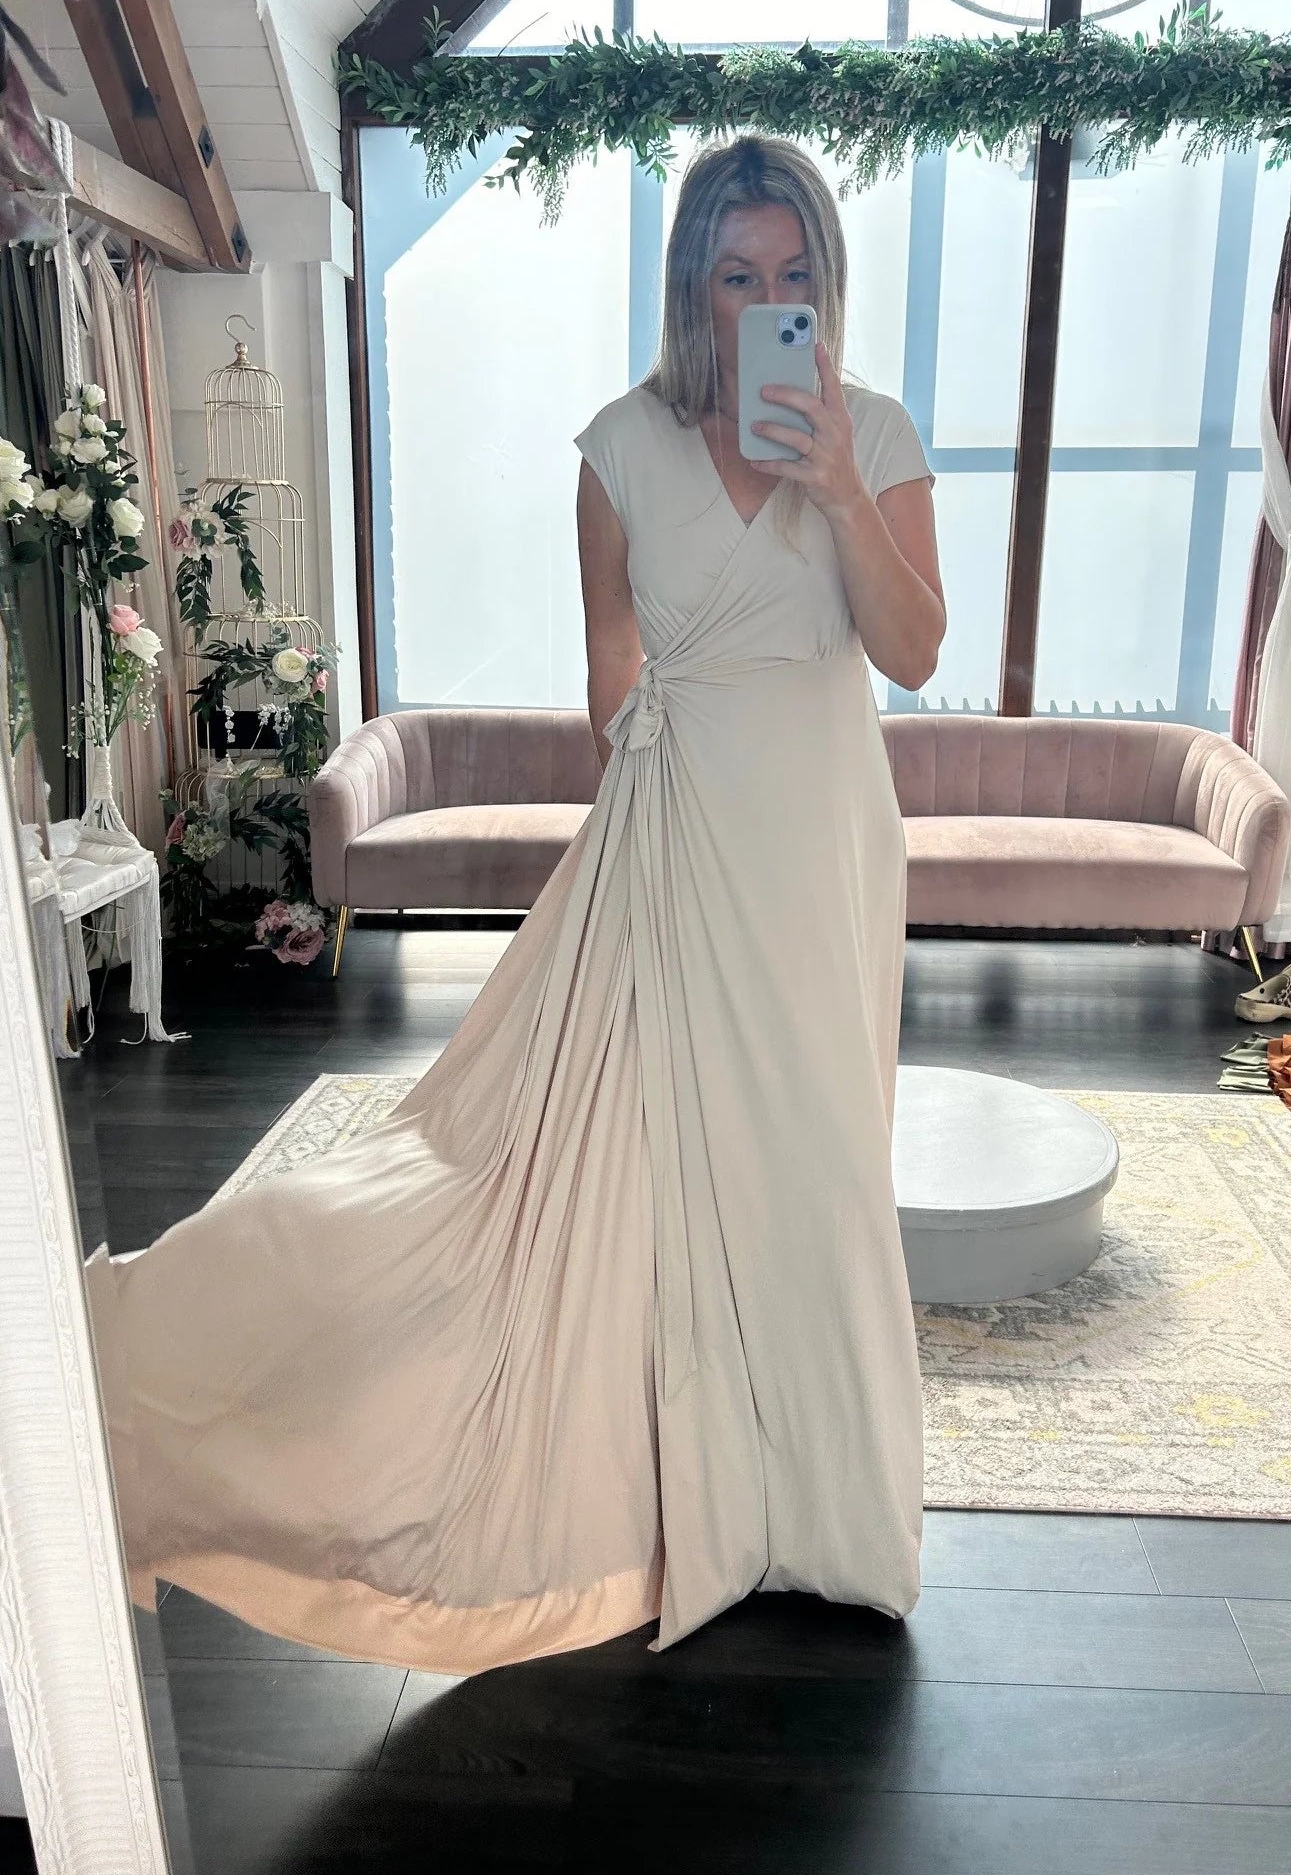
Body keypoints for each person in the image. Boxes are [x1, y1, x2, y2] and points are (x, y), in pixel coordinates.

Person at [83, 134, 947, 1676]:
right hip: (678, 844)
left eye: (795, 274)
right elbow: (610, 684)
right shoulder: (618, 448)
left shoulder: (871, 432)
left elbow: (917, 649)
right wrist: (655, 783)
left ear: (825, 283)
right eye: (737, 273)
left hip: (825, 850)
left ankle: (828, 1518)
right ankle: (681, 1502)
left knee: (821, 1172)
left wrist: (837, 487)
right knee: (623, 1171)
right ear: (693, 285)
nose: (769, 300)